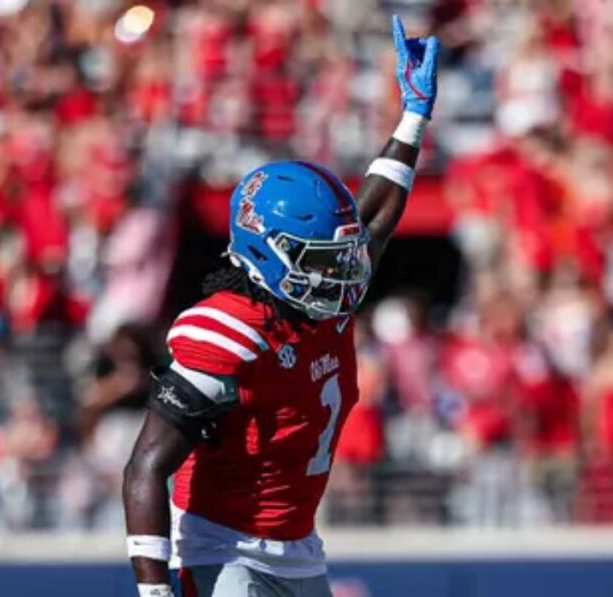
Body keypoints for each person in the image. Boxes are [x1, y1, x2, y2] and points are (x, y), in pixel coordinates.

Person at [121, 16, 439, 597]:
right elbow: (146, 466)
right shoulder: (228, 331)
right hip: (223, 548)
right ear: (265, 252)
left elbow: (370, 218)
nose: (340, 272)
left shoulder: (322, 300)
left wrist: (413, 118)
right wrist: (154, 591)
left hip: (300, 547)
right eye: (318, 260)